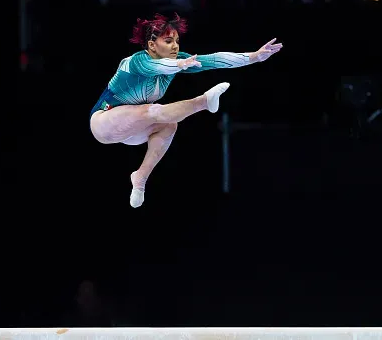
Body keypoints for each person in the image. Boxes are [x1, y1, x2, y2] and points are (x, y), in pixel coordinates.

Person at [89, 13, 282, 208]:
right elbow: (159, 65)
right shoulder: (137, 61)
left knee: (169, 125)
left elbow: (213, 60)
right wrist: (179, 65)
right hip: (104, 122)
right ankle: (203, 102)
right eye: (168, 40)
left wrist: (254, 57)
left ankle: (140, 179)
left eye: (177, 41)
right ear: (152, 45)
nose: (175, 46)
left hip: (133, 129)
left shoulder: (177, 60)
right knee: (153, 111)